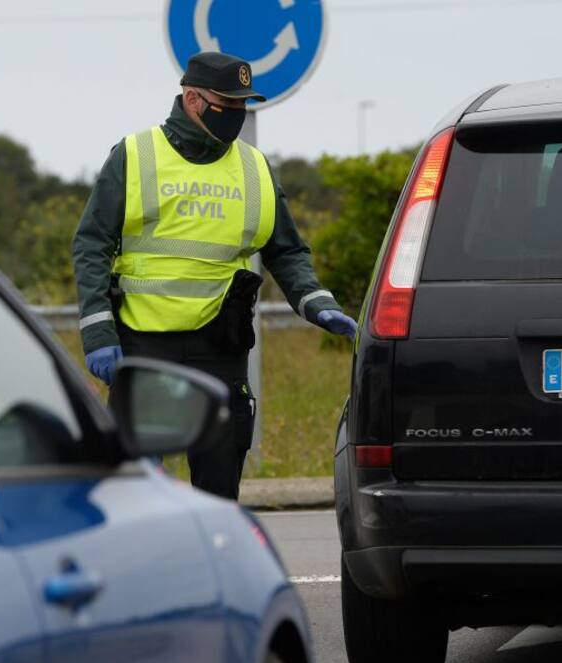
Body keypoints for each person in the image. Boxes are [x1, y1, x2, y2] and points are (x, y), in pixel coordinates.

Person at [72, 51, 357, 500]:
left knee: (220, 486)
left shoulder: (254, 168)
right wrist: (97, 331)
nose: (236, 114)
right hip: (146, 344)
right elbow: (92, 243)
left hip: (221, 343)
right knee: (137, 492)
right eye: (227, 104)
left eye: (242, 104)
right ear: (193, 100)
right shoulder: (135, 155)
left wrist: (316, 302)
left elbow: (286, 251)